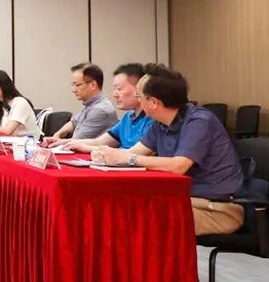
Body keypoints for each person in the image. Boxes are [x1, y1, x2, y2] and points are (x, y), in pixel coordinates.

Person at [92, 64, 245, 236]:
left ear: (153, 102)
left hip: (217, 209)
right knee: (121, 207)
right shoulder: (160, 124)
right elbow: (134, 152)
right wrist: (105, 154)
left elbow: (178, 166)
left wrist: (126, 158)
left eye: (139, 96)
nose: (138, 101)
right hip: (183, 199)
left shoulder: (199, 121)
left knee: (139, 218)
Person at [45, 63, 153, 152]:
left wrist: (89, 148)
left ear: (139, 89)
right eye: (114, 89)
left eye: (119, 89)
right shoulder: (128, 117)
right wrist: (63, 142)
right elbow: (99, 141)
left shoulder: (152, 119)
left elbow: (136, 152)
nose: (115, 94)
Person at [49, 63, 118, 140]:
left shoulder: (99, 110)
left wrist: (56, 141)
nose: (73, 90)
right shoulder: (91, 104)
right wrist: (57, 135)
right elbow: (74, 123)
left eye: (77, 85)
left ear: (92, 85)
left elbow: (77, 140)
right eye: (73, 84)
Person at [0, 70, 40, 138]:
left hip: (28, 143)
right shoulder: (3, 104)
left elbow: (8, 130)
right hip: (12, 142)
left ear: (2, 86)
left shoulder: (20, 102)